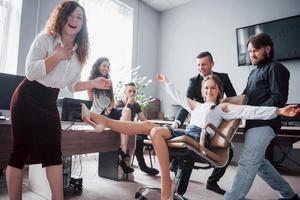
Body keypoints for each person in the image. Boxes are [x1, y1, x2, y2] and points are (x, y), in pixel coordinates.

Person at [81, 74, 299, 200]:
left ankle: (167, 186)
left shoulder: (222, 107)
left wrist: (278, 111)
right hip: (185, 132)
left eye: (213, 88)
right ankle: (101, 119)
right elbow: (179, 96)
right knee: (148, 125)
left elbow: (248, 110)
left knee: (154, 131)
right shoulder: (197, 105)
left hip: (198, 137)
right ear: (202, 91)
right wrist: (166, 82)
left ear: (218, 90)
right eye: (206, 88)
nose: (209, 90)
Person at [5, 2, 111, 200]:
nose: (74, 20)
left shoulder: (80, 52)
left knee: (54, 153)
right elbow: (30, 72)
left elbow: (71, 85)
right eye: (70, 15)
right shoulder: (45, 39)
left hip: (49, 102)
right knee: (20, 152)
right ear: (61, 17)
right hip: (28, 97)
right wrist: (56, 56)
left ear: (83, 24)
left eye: (79, 17)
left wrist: (93, 83)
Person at [224, 33, 300, 200]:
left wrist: (253, 109)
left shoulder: (276, 68)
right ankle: (289, 195)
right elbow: (245, 97)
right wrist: (227, 104)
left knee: (247, 162)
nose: (252, 54)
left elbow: (278, 98)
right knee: (260, 164)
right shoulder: (253, 73)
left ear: (267, 48)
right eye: (250, 51)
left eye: (255, 50)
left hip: (266, 123)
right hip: (252, 123)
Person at [172, 51, 236, 195]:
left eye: (204, 65)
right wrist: (177, 122)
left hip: (215, 120)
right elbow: (185, 104)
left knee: (228, 152)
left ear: (212, 64)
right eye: (198, 65)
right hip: (197, 123)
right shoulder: (193, 81)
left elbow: (233, 98)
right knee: (187, 152)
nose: (201, 68)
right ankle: (178, 183)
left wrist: (224, 110)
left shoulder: (223, 78)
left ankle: (212, 182)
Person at [87, 57, 134, 174]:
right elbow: (90, 102)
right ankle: (123, 158)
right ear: (98, 66)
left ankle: (123, 152)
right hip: (98, 113)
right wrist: (99, 113)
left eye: (108, 66)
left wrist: (110, 107)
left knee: (127, 111)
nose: (106, 68)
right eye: (104, 65)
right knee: (125, 120)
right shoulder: (91, 81)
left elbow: (112, 100)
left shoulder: (109, 81)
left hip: (109, 112)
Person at [115, 82, 159, 176]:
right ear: (125, 92)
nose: (132, 93)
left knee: (152, 133)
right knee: (138, 139)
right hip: (122, 130)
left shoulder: (136, 105)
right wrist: (128, 104)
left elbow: (143, 120)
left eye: (134, 91)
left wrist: (155, 127)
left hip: (132, 129)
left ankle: (168, 158)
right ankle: (143, 166)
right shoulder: (119, 103)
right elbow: (119, 119)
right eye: (130, 91)